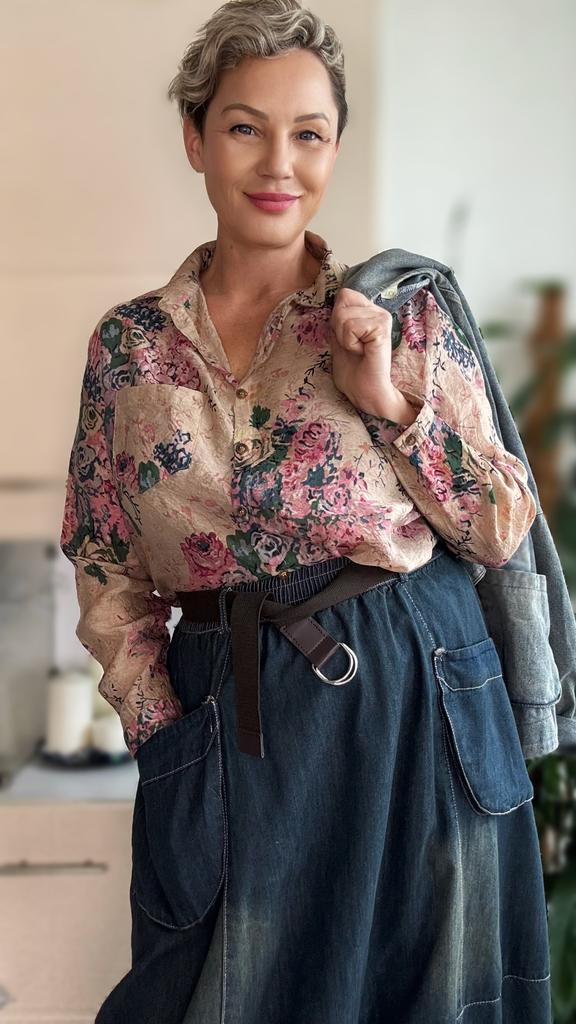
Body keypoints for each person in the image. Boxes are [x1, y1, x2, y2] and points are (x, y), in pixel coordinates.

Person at [59, 1, 554, 1021]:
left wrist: (389, 402)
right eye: (246, 127)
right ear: (195, 137)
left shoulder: (400, 317)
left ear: (334, 147)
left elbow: (502, 524)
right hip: (228, 719)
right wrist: (163, 734)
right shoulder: (128, 349)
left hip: (415, 704)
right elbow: (107, 565)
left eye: (310, 134)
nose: (279, 163)